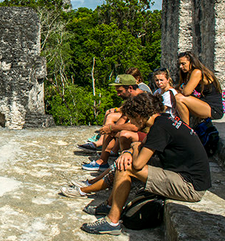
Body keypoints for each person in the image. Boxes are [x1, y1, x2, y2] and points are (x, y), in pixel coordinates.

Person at [81, 93, 211, 235]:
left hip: (190, 186)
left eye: (131, 119)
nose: (132, 124)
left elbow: (137, 164)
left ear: (138, 115)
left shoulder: (159, 128)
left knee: (126, 168)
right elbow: (141, 144)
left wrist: (130, 152)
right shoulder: (164, 120)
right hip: (188, 177)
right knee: (126, 161)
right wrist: (129, 152)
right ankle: (109, 205)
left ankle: (112, 221)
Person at [81, 75, 141, 172]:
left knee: (118, 131)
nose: (118, 94)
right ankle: (102, 161)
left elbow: (136, 126)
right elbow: (124, 116)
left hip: (146, 133)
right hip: (138, 129)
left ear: (130, 88)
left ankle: (105, 161)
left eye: (120, 91)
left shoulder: (141, 99)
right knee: (111, 129)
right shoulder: (132, 99)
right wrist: (112, 127)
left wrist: (113, 128)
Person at [175, 51, 224, 125]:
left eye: (183, 64)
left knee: (179, 98)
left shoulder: (197, 72)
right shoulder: (190, 73)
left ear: (191, 62)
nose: (181, 67)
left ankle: (186, 129)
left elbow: (186, 92)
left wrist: (183, 88)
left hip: (213, 109)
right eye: (180, 64)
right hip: (205, 104)